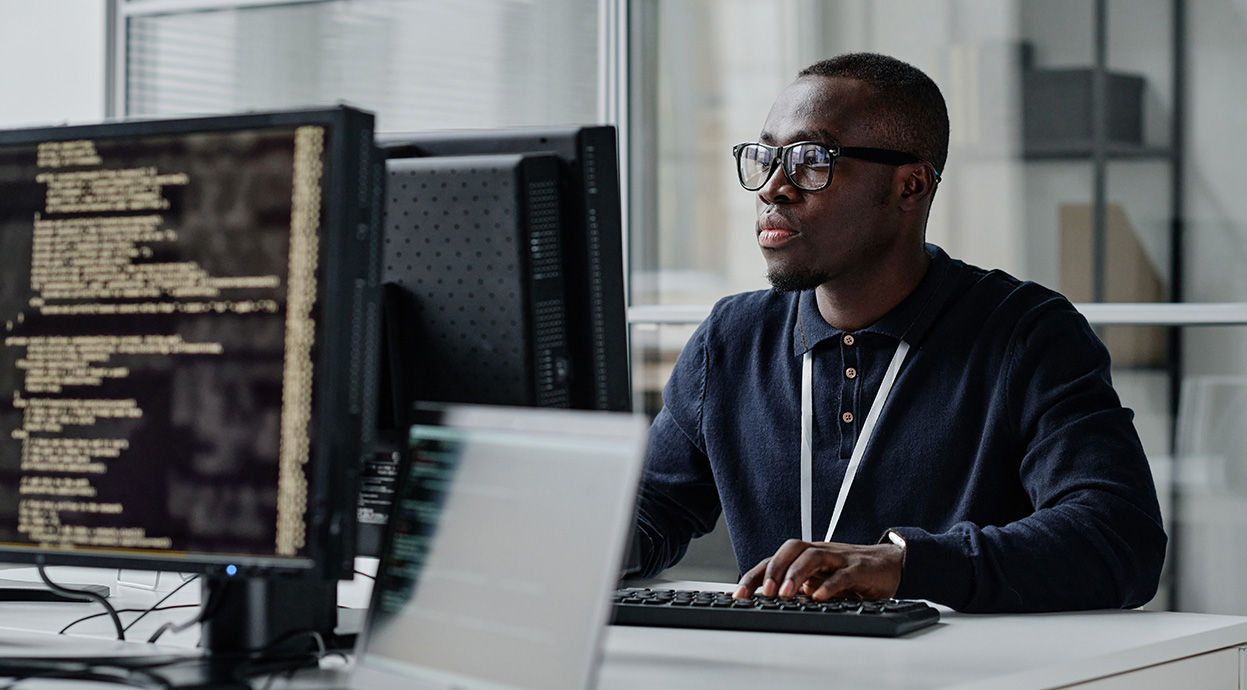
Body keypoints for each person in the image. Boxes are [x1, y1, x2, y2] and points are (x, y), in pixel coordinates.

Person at [633, 52, 1167, 613]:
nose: (773, 187)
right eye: (766, 157)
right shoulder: (732, 340)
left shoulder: (1026, 335)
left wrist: (905, 566)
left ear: (910, 187)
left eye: (811, 160)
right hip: (778, 667)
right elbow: (646, 516)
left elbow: (1118, 538)